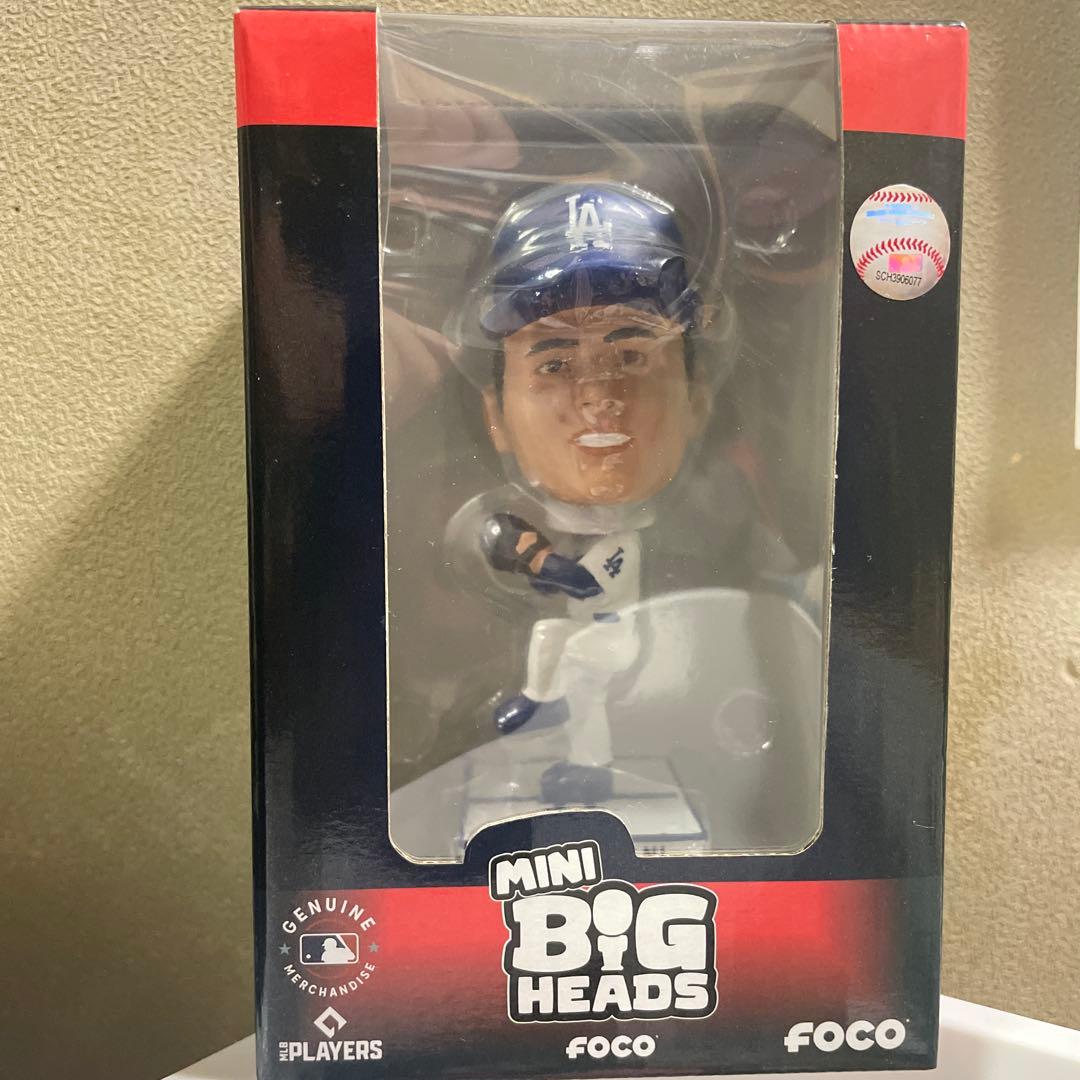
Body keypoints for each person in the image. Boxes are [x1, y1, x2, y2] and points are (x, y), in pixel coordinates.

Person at [471, 183, 710, 806]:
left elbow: (584, 581)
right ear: (495, 418)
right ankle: (542, 704)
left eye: (631, 355)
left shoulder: (642, 544)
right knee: (553, 642)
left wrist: (542, 562)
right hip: (594, 636)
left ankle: (585, 758)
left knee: (576, 660)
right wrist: (523, 550)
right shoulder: (543, 518)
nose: (598, 396)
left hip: (619, 638)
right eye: (554, 365)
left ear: (698, 404)